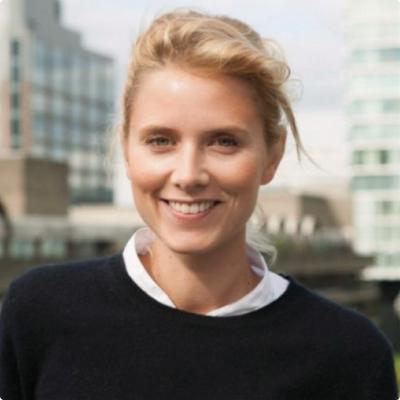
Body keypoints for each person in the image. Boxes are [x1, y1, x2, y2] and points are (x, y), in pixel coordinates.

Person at [0, 9, 398, 400]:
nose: (188, 175)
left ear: (272, 156)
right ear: (126, 149)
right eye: (161, 141)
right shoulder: (39, 312)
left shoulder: (349, 355)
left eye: (224, 141)